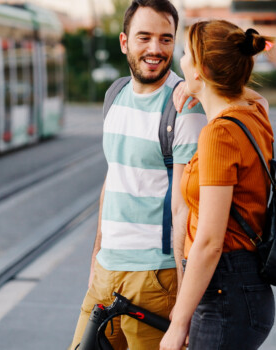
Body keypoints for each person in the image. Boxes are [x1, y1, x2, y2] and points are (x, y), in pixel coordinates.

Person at [68, 0, 207, 349]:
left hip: (155, 277)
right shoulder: (114, 96)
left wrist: (183, 305)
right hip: (105, 272)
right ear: (124, 42)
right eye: (144, 37)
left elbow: (185, 208)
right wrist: (96, 259)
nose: (155, 49)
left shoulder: (185, 109)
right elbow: (112, 181)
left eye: (165, 39)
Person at [160, 20, 276, 350]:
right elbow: (254, 97)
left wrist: (178, 324)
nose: (180, 61)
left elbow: (210, 241)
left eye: (186, 55)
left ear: (201, 70)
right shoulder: (254, 113)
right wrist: (198, 86)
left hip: (225, 294)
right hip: (242, 289)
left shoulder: (219, 135)